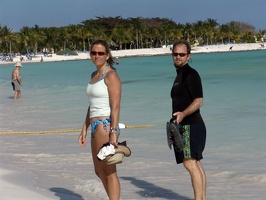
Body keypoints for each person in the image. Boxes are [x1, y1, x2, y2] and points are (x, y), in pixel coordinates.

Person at [78, 39, 122, 200]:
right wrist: (84, 127)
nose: (97, 56)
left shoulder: (111, 75)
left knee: (110, 171)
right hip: (95, 125)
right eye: (94, 53)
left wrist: (114, 132)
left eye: (100, 53)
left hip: (105, 126)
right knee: (99, 170)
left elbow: (115, 106)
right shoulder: (94, 75)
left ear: (107, 55)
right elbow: (92, 105)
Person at [169, 39, 206, 200]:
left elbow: (198, 100)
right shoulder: (180, 76)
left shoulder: (191, 74)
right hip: (187, 125)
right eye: (175, 54)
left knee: (189, 163)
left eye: (182, 54)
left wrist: (183, 114)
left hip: (191, 124)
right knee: (195, 163)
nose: (178, 57)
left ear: (188, 56)